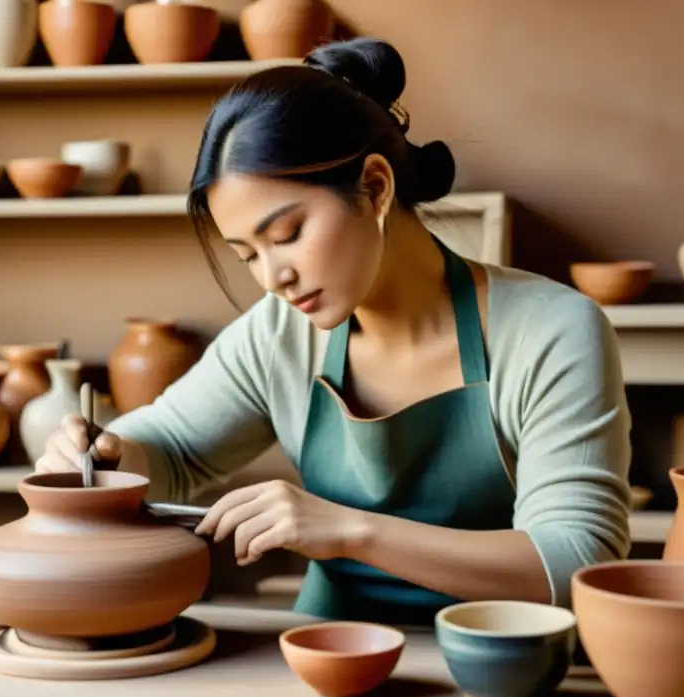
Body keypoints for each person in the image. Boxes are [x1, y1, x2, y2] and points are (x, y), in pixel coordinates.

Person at [36, 37, 632, 626]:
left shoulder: (549, 331)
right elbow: (174, 449)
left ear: (374, 189)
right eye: (248, 255)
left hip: (505, 668)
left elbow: (576, 562)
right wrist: (109, 452)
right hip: (331, 655)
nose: (274, 278)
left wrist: (350, 531)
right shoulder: (280, 334)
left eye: (287, 234)